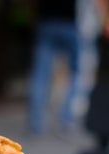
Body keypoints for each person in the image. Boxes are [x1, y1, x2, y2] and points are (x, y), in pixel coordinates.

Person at [27, 0, 84, 134]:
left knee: (40, 75)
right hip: (69, 23)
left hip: (46, 23)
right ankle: (66, 119)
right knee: (75, 73)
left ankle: (35, 123)